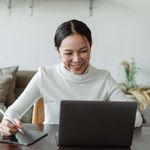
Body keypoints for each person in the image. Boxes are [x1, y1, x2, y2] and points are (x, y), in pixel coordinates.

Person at [0, 19, 143, 136]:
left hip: (94, 144)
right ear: (58, 51)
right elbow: (13, 112)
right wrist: (7, 123)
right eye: (68, 53)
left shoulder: (103, 78)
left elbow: (135, 118)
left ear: (91, 47)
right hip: (51, 145)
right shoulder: (45, 76)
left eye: (83, 51)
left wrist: (102, 122)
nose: (76, 59)